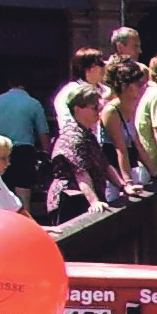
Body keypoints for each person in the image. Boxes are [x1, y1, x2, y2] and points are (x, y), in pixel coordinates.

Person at [48, 85, 128, 222]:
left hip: (84, 200)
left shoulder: (87, 134)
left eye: (100, 107)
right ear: (77, 109)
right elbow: (81, 173)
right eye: (94, 108)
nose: (99, 111)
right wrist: (94, 201)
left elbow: (105, 165)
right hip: (70, 202)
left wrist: (124, 186)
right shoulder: (73, 137)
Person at [0, 80, 49, 212]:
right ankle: (26, 223)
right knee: (23, 192)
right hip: (24, 151)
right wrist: (47, 152)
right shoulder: (33, 103)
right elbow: (43, 131)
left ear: (8, 83)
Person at [99, 58, 152, 198]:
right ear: (126, 86)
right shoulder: (111, 111)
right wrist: (127, 183)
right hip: (111, 178)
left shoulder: (132, 106)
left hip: (129, 169)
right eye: (139, 84)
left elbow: (138, 146)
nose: (144, 88)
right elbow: (120, 148)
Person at [53, 47, 106, 133]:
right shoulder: (69, 92)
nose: (105, 67)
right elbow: (67, 123)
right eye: (101, 63)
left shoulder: (107, 91)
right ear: (88, 68)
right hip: (82, 142)